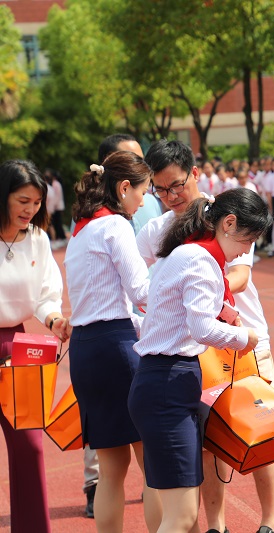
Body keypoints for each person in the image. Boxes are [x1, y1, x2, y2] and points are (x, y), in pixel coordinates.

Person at [139, 139, 274, 533]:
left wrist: (208, 303)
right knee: (203, 446)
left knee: (260, 426)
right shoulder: (163, 232)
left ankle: (269, 520)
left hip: (236, 337)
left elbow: (239, 275)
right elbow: (140, 284)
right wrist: (179, 304)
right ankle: (216, 524)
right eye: (160, 189)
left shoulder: (229, 214)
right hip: (198, 347)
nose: (170, 196)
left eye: (176, 185)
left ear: (195, 174)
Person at [64, 151, 159, 533]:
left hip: (85, 349)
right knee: (153, 463)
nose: (143, 201)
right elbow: (141, 291)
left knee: (111, 469)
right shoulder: (116, 225)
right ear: (123, 188)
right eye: (143, 192)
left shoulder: (80, 230)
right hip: (116, 348)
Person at [0, 160, 70, 533]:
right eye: (22, 201)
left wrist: (54, 320)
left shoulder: (38, 240)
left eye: (37, 203)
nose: (30, 210)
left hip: (19, 345)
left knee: (30, 446)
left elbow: (46, 294)